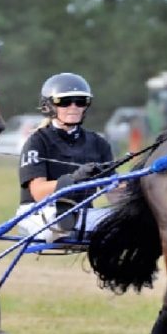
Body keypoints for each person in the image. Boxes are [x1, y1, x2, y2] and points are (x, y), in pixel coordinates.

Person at [16, 72, 114, 242]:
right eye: (65, 102)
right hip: (39, 213)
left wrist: (133, 185)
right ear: (49, 106)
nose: (74, 107)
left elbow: (114, 194)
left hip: (82, 214)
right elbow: (39, 192)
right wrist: (73, 179)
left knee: (130, 220)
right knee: (60, 219)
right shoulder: (37, 141)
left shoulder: (99, 143)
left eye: (81, 101)